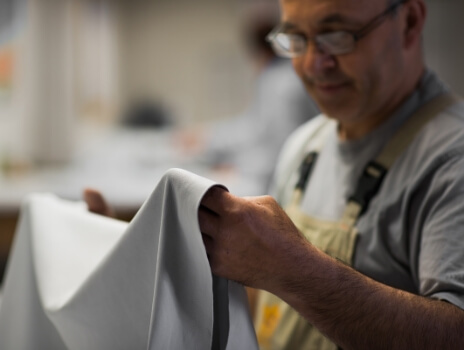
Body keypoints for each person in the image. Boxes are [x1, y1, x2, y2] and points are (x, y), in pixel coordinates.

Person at [86, 0, 464, 348]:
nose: (314, 64)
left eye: (338, 36)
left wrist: (294, 269)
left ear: (410, 21)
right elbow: (263, 304)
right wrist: (147, 273)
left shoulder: (450, 156)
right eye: (297, 39)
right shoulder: (304, 146)